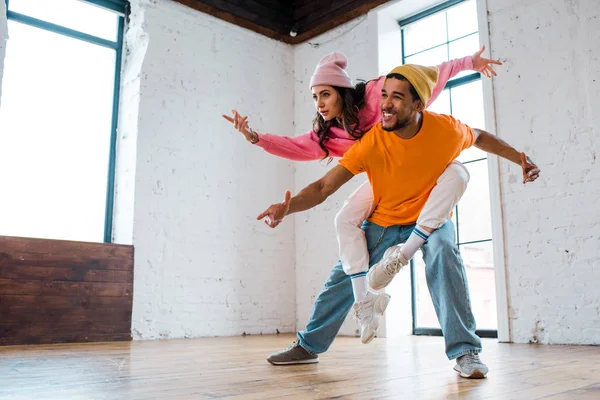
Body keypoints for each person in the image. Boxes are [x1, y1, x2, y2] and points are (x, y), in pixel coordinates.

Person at [256, 64, 540, 378]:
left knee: (446, 257)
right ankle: (308, 347)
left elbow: (482, 137)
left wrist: (520, 159)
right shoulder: (373, 142)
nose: (386, 104)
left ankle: (466, 353)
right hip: (385, 220)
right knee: (343, 277)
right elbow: (324, 187)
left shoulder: (445, 130)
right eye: (385, 96)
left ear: (418, 104)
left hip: (431, 219)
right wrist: (287, 207)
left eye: (397, 97)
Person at [223, 48, 504, 342]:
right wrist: (256, 138)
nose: (319, 103)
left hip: (424, 177)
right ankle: (353, 312)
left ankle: (465, 349)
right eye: (315, 97)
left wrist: (468, 63)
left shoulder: (376, 95)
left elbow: (425, 79)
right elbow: (299, 153)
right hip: (384, 184)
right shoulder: (328, 135)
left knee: (444, 247)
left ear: (342, 91)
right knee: (345, 230)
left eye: (326, 94)